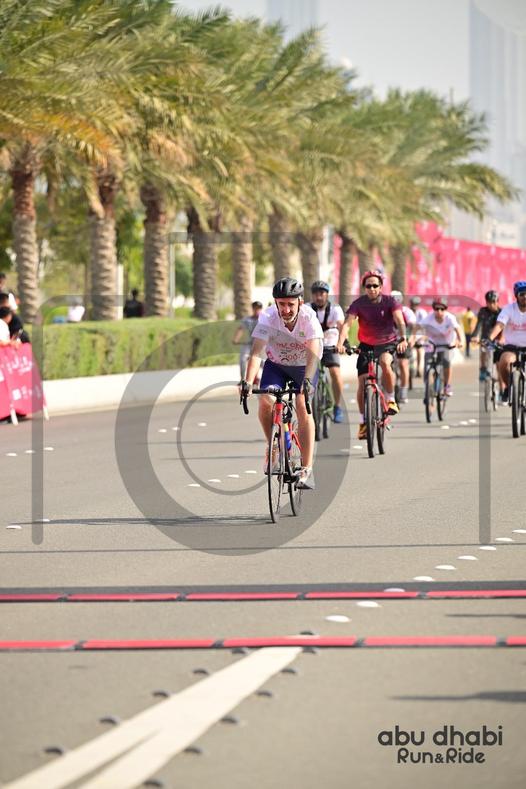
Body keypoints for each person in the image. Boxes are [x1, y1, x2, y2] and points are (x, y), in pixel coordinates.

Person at [241, 277, 323, 491]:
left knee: (302, 405)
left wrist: (307, 380)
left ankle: (306, 469)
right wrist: (248, 382)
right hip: (276, 365)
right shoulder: (268, 317)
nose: (286, 309)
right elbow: (257, 352)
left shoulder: (309, 317)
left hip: (304, 366)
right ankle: (273, 445)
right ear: (275, 303)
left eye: (290, 304)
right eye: (282, 304)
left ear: (300, 302)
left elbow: (313, 354)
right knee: (265, 399)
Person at [337, 270, 408, 440]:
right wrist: (340, 343)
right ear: (364, 288)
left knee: (385, 363)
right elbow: (347, 324)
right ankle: (363, 421)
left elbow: (399, 320)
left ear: (381, 287)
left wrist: (403, 338)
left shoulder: (390, 302)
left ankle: (391, 399)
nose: (372, 289)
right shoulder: (359, 303)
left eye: (375, 285)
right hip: (366, 345)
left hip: (387, 342)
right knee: (362, 384)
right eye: (368, 286)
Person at [310, 280, 346, 423]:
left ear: (327, 295)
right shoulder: (307, 308)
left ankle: (337, 406)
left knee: (335, 373)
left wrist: (341, 344)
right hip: (313, 346)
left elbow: (342, 327)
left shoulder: (335, 309)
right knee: (307, 376)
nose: (319, 297)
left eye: (322, 293)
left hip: (331, 345)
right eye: (316, 294)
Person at [488, 281, 526, 403]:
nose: (525, 296)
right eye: (522, 294)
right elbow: (500, 325)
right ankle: (509, 387)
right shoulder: (509, 309)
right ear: (516, 296)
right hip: (512, 347)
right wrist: (490, 338)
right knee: (503, 362)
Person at [419, 297, 463, 396]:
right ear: (433, 309)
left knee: (446, 361)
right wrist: (414, 340)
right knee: (427, 365)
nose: (439, 311)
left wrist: (460, 341)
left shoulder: (450, 318)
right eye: (436, 309)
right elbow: (417, 328)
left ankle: (447, 385)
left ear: (445, 309)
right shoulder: (428, 318)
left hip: (446, 343)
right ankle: (428, 388)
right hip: (432, 343)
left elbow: (458, 330)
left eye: (442, 309)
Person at [391, 291, 416, 404]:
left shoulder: (407, 312)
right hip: (390, 341)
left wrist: (412, 338)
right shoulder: (385, 312)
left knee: (403, 364)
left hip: (403, 341)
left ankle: (403, 390)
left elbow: (413, 327)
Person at [473, 291, 503, 384]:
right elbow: (479, 324)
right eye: (489, 302)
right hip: (485, 338)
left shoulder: (502, 312)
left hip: (498, 341)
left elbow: (504, 328)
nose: (492, 305)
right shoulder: (483, 311)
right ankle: (483, 369)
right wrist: (475, 336)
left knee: (499, 366)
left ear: (497, 302)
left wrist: (502, 339)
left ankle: (502, 389)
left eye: (494, 302)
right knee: (483, 350)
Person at [233, 301, 263, 383]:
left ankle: (265, 379)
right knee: (243, 359)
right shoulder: (247, 320)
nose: (257, 310)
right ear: (253, 309)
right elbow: (241, 329)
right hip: (250, 343)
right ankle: (243, 379)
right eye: (255, 308)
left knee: (263, 362)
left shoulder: (264, 319)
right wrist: (236, 339)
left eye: (259, 308)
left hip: (261, 344)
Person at [410, 297, 428, 376]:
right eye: (413, 304)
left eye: (416, 304)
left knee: (419, 350)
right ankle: (410, 366)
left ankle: (418, 368)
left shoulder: (422, 313)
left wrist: (424, 336)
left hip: (419, 336)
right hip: (410, 335)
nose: (414, 306)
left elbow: (425, 325)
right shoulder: (408, 312)